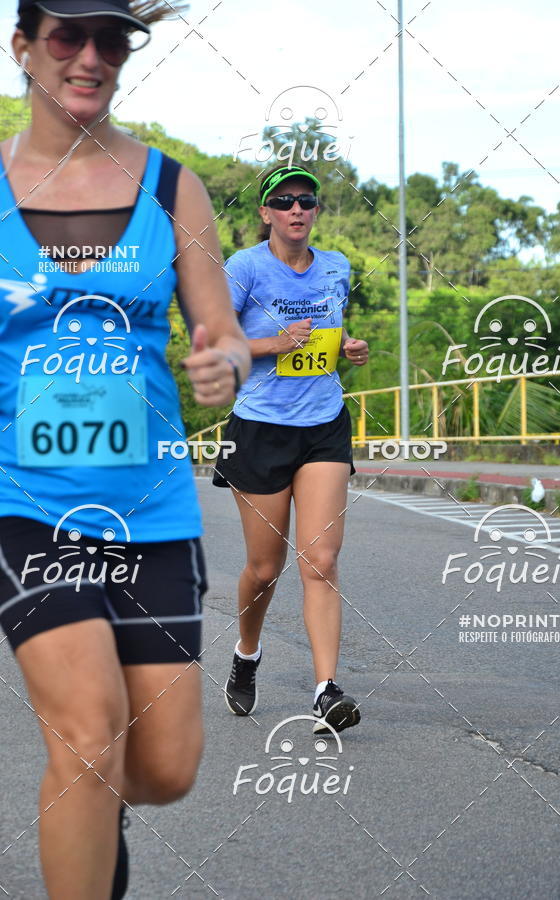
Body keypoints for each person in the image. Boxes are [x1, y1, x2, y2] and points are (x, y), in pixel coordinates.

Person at [0, 2, 250, 898]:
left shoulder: (170, 186)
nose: (91, 57)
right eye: (68, 36)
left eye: (112, 40)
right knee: (86, 729)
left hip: (152, 507)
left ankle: (91, 806)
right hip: (25, 502)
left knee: (163, 769)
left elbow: (217, 323)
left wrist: (221, 359)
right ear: (23, 45)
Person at [213, 164, 369, 734]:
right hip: (260, 427)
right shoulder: (244, 269)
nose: (297, 210)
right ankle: (247, 652)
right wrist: (274, 343)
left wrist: (347, 347)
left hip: (324, 421)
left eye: (307, 200)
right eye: (284, 202)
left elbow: (328, 335)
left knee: (321, 560)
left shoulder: (336, 267)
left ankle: (326, 690)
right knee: (263, 567)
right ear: (265, 213)